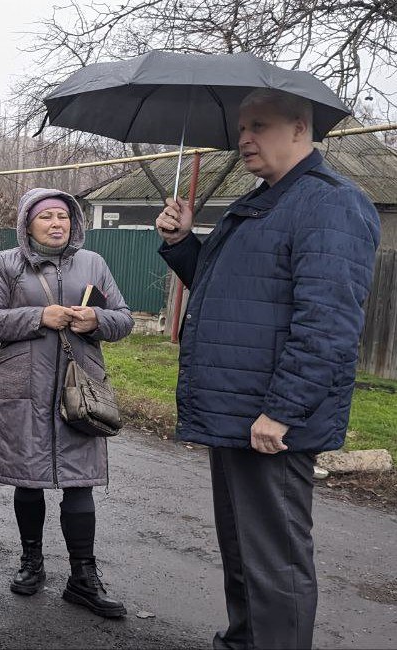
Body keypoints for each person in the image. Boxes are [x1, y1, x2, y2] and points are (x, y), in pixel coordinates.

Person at [155, 88, 380, 649]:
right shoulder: (265, 199)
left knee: (275, 564)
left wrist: (281, 412)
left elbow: (327, 326)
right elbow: (229, 288)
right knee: (243, 553)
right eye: (242, 126)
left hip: (271, 422)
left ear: (301, 129)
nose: (244, 138)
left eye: (259, 126)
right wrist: (183, 242)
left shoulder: (330, 204)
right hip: (237, 410)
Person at [0, 188, 134, 618]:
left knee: (80, 482)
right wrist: (37, 316)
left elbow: (125, 318)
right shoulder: (5, 264)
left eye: (63, 216)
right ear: (28, 224)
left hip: (80, 391)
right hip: (24, 388)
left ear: (74, 222)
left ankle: (83, 577)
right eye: (46, 217)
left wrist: (96, 319)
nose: (56, 223)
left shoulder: (93, 263)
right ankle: (32, 561)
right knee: (29, 479)